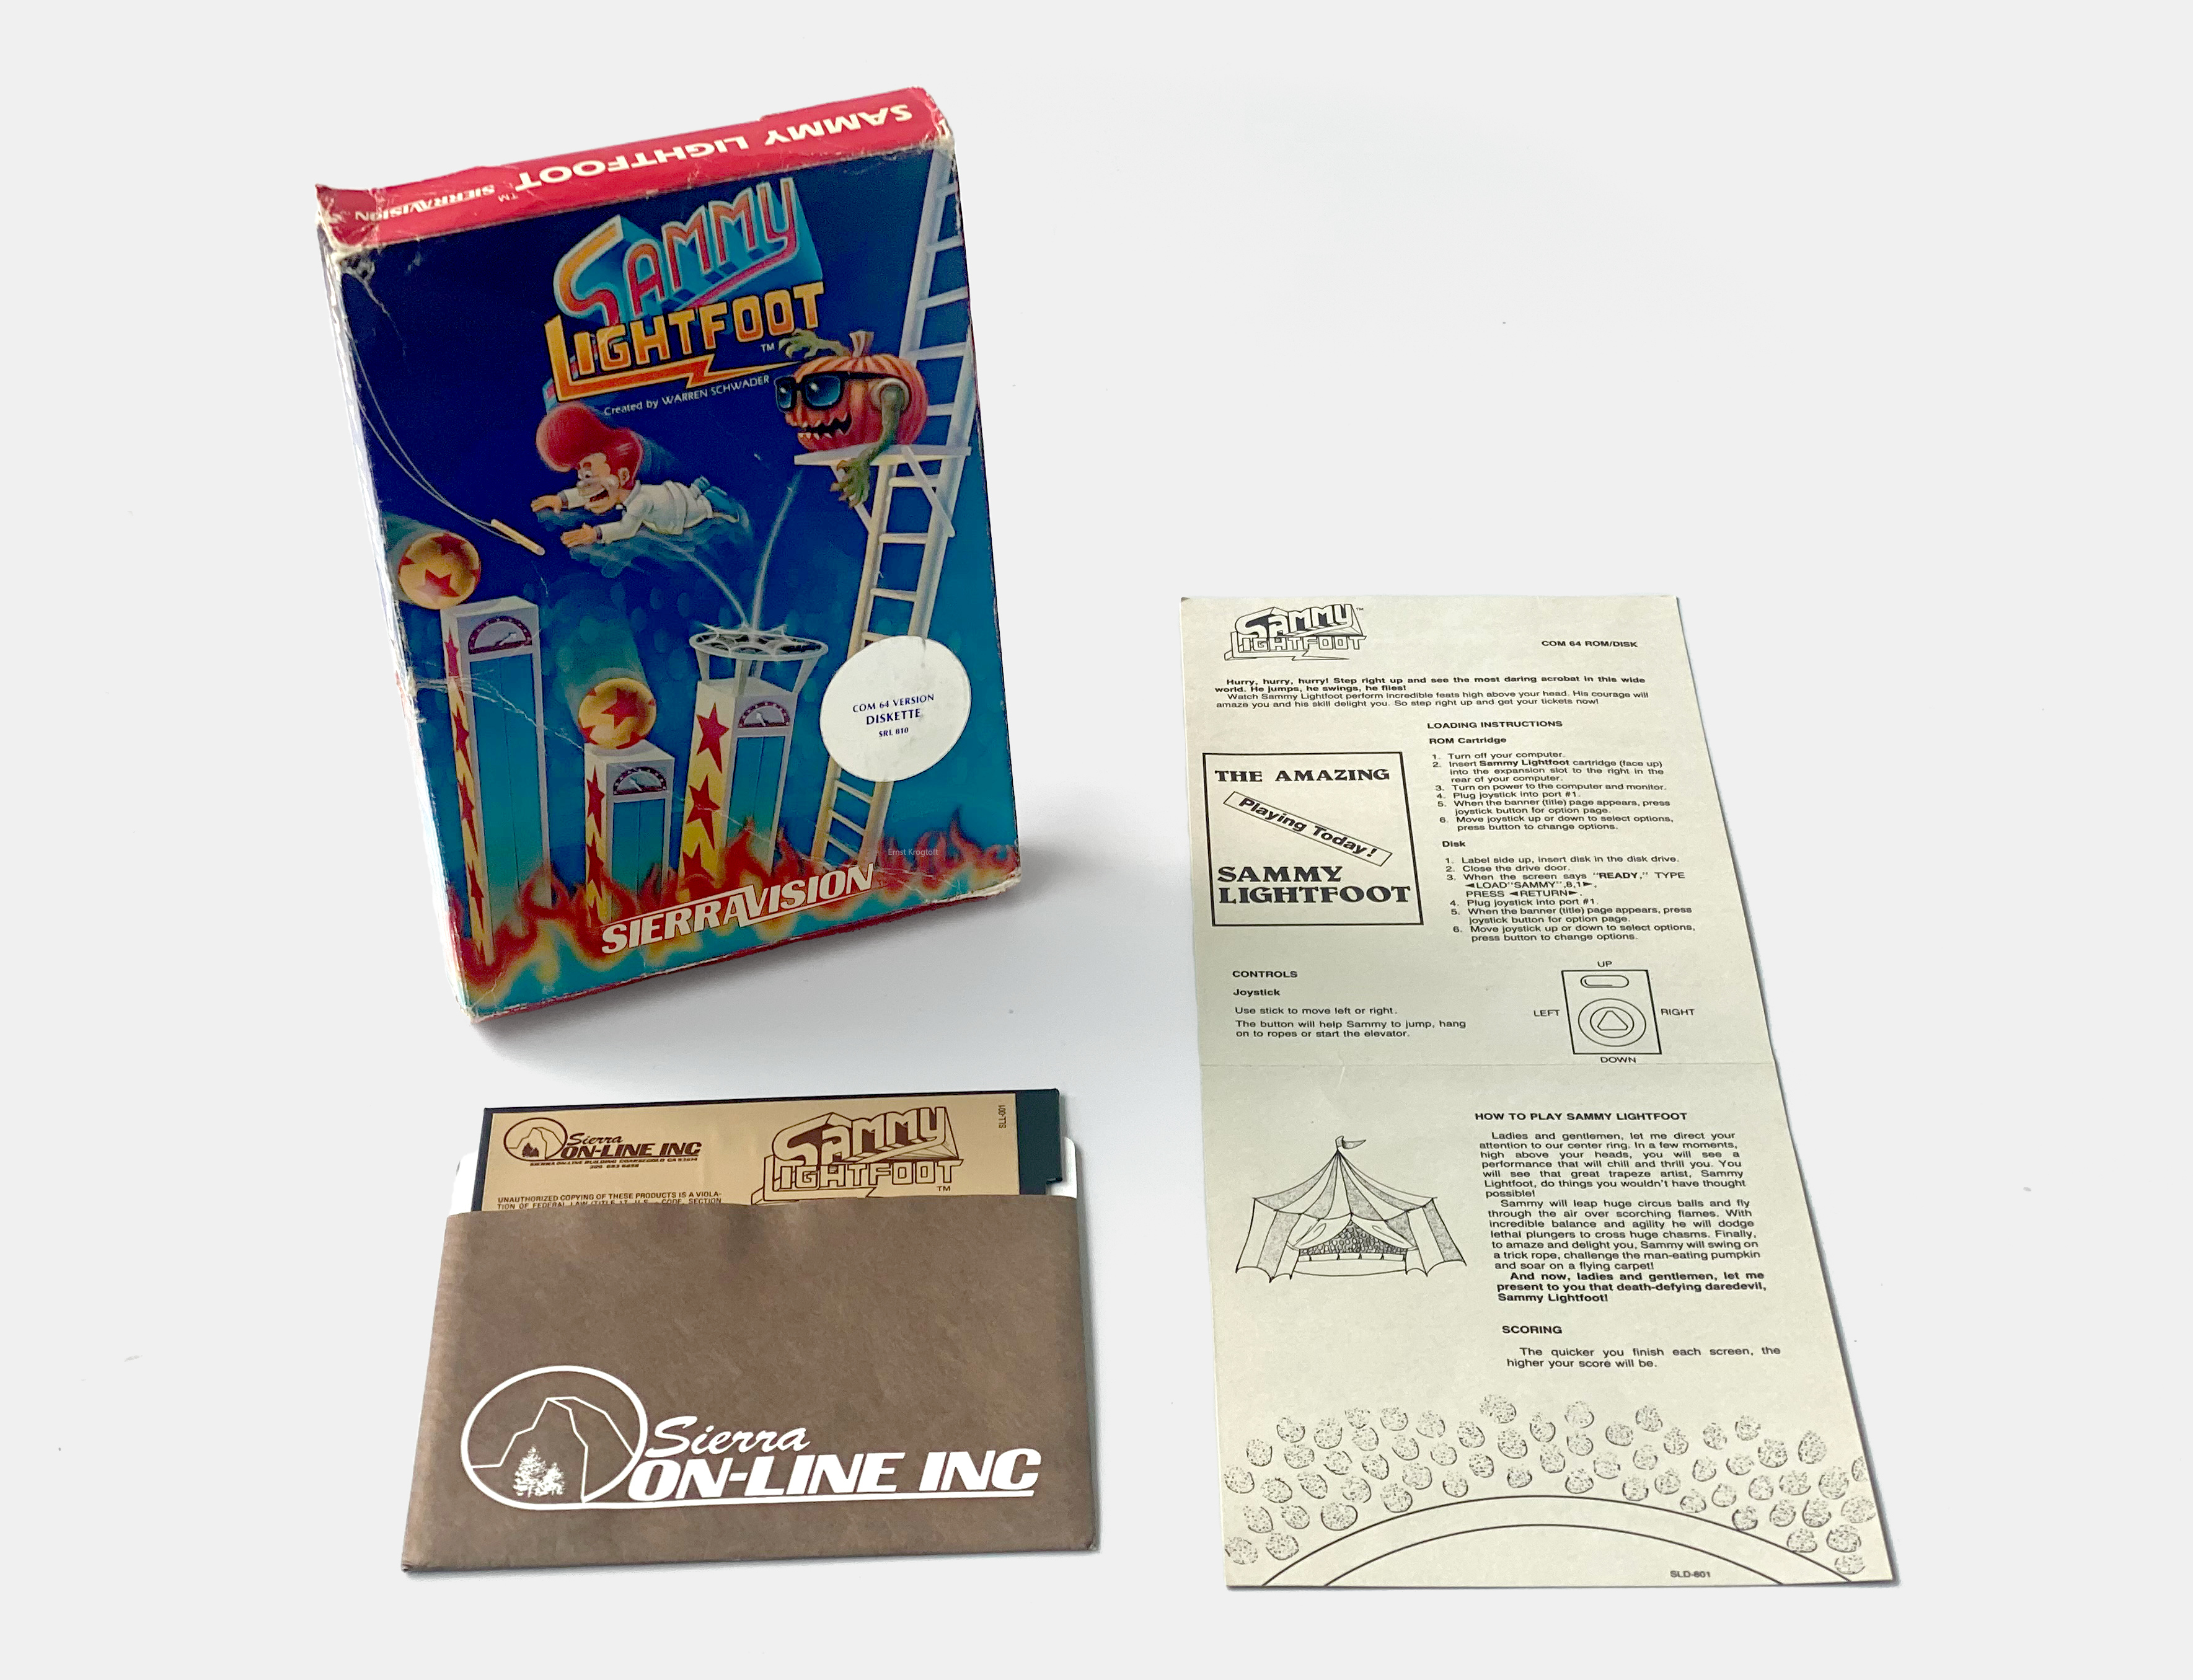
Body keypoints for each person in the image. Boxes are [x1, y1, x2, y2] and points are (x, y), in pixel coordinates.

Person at [530, 404, 751, 549]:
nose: (584, 482)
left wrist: (596, 534)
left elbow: (626, 529)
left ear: (623, 475)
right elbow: (589, 492)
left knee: (699, 510)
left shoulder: (639, 503)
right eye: (581, 472)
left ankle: (710, 502)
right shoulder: (616, 484)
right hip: (672, 494)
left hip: (680, 511)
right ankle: (698, 488)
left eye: (588, 471)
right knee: (689, 495)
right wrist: (561, 500)